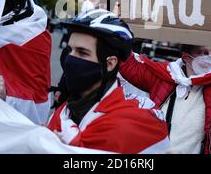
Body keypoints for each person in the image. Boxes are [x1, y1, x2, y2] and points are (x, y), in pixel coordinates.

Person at [48, 9, 170, 153]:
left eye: (82, 52)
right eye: (70, 50)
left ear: (110, 64)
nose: (70, 59)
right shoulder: (65, 111)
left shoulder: (131, 124)